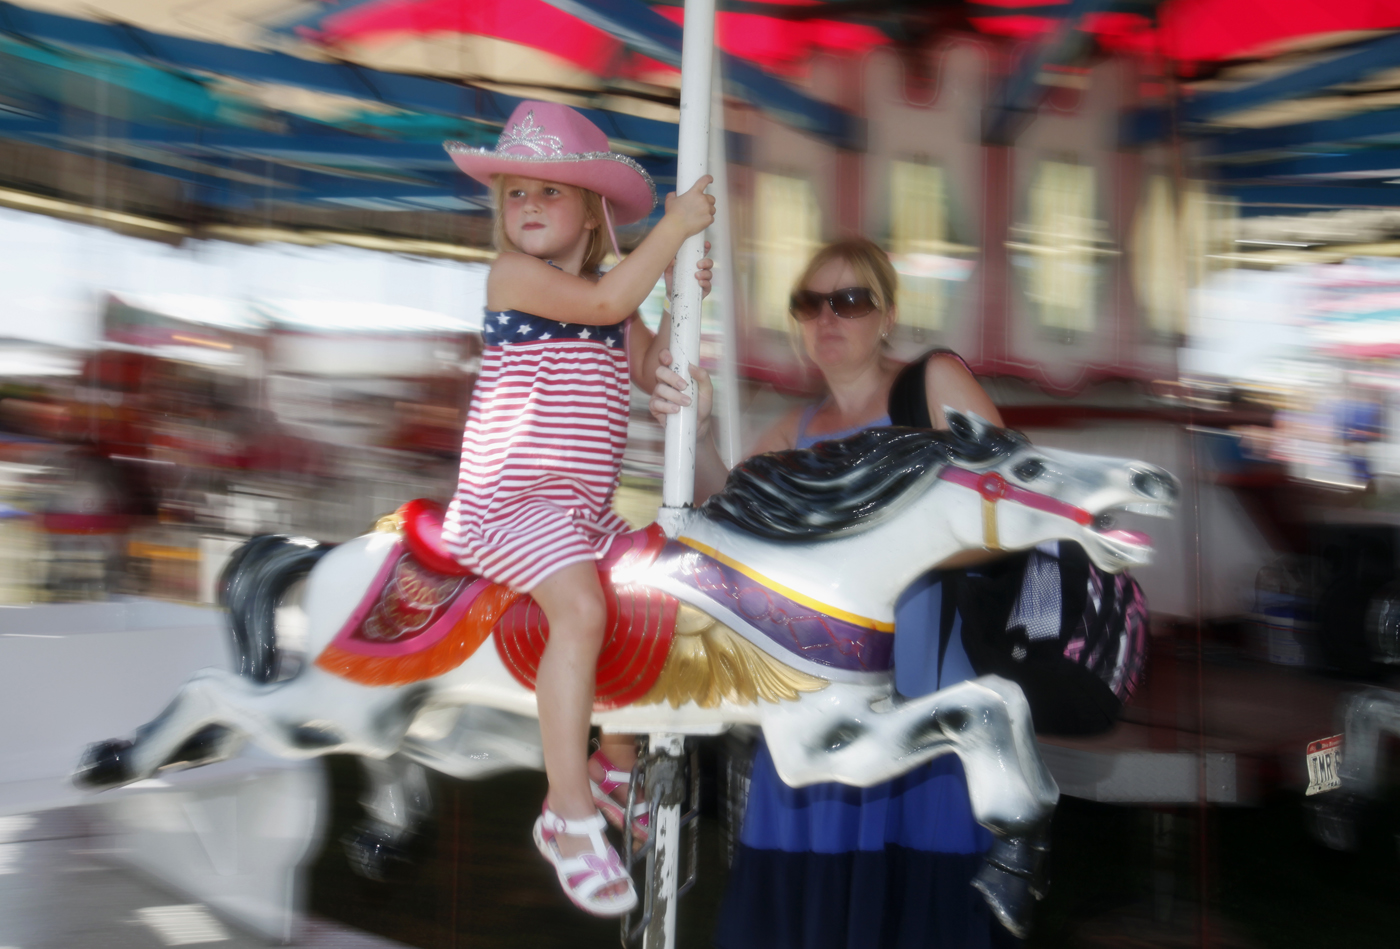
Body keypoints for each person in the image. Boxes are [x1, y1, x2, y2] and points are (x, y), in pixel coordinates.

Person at [650, 237, 1015, 948]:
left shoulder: (932, 384)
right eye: (809, 302)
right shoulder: (793, 434)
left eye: (848, 300)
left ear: (888, 314)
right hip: (821, 697)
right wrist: (693, 432)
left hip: (923, 685)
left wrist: (888, 549)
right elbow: (732, 522)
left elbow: (1012, 502)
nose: (827, 317)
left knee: (921, 903)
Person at [442, 100, 714, 917]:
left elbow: (650, 362)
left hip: (579, 513)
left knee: (648, 590)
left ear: (592, 213)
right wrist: (669, 233)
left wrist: (677, 297)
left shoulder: (612, 298)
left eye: (549, 191)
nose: (527, 204)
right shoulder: (514, 277)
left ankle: (614, 759)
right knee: (583, 607)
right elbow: (601, 305)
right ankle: (564, 813)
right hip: (511, 502)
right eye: (516, 193)